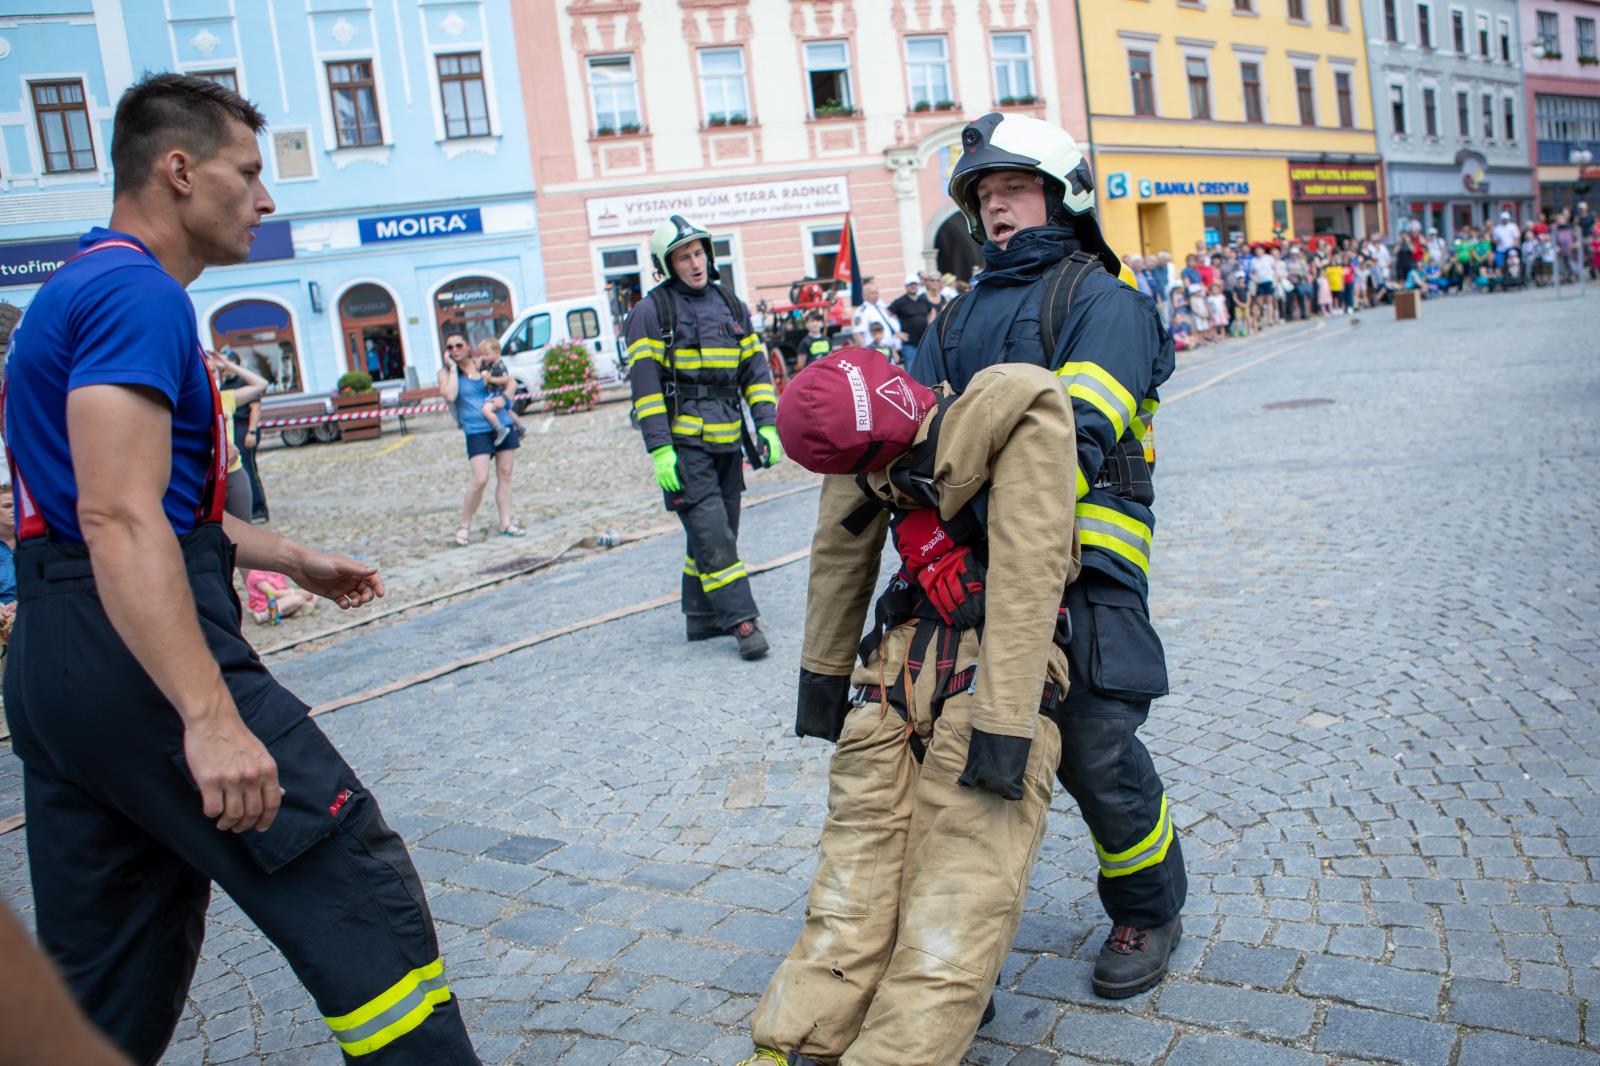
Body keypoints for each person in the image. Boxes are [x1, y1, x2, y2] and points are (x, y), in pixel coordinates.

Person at [1, 73, 479, 1065]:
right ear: (179, 171)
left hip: (58, 660)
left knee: (106, 979)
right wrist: (210, 716)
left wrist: (292, 557)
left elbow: (142, 508)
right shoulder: (138, 292)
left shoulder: (76, 290)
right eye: (249, 172)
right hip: (134, 643)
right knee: (350, 876)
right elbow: (119, 515)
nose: (267, 199)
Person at [903, 111, 1186, 1002]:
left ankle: (1150, 903)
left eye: (1013, 188)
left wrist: (953, 473)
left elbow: (1070, 442)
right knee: (951, 761)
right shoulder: (952, 317)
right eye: (984, 195)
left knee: (1095, 751)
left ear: (1061, 196)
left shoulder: (1106, 304)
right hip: (967, 575)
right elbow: (906, 447)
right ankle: (952, 954)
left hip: (1087, 569)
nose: (995, 209)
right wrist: (926, 540)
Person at [742, 351, 1078, 1066]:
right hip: (904, 670)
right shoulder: (874, 446)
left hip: (980, 678)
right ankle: (794, 1039)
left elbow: (1030, 570)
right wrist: (824, 679)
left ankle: (858, 1048)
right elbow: (839, 554)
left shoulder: (1014, 417)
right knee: (861, 880)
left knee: (952, 896)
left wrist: (1003, 727)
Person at [625, 215, 781, 660]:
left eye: (698, 253)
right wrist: (660, 451)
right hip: (683, 445)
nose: (694, 263)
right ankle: (742, 621)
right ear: (666, 264)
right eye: (682, 256)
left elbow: (755, 371)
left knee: (720, 530)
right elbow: (646, 387)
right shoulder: (650, 312)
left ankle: (700, 615)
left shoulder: (732, 306)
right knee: (715, 536)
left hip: (729, 440)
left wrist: (766, 423)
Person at [438, 333, 524, 545]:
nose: (455, 349)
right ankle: (464, 525)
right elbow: (450, 396)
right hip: (476, 429)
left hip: (501, 423)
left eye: (459, 345)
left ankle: (505, 522)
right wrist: (451, 368)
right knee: (480, 478)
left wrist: (504, 399)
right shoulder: (447, 373)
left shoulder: (484, 365)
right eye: (450, 347)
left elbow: (511, 383)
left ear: (468, 347)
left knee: (505, 474)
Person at [206, 350, 266, 521]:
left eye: (214, 372)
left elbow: (261, 384)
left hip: (233, 472)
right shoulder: (192, 402)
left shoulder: (225, 398)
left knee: (244, 530)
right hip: (206, 475)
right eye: (207, 372)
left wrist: (229, 365)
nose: (212, 376)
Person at [475, 337, 523, 444]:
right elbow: (477, 367)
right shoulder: (490, 364)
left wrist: (490, 379)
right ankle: (520, 427)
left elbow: (506, 379)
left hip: (497, 394)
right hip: (497, 393)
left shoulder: (499, 366)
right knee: (509, 411)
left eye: (486, 354)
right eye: (482, 354)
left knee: (486, 410)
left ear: (497, 352)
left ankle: (500, 429)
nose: (484, 357)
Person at [244, 568, 317, 625]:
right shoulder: (257, 573)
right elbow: (272, 593)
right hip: (266, 604)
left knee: (311, 594)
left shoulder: (277, 572)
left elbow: (283, 589)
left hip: (279, 602)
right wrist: (295, 592)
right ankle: (265, 615)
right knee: (299, 598)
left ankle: (300, 608)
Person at [851, 280, 901, 358]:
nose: (875, 295)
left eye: (876, 292)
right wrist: (867, 355)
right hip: (874, 352)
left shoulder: (881, 307)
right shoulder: (861, 312)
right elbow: (857, 335)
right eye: (872, 293)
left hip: (888, 350)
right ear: (864, 295)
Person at [887, 272, 934, 350]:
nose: (913, 286)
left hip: (925, 343)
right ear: (906, 286)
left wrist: (931, 325)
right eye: (910, 284)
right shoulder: (900, 301)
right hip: (909, 345)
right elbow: (886, 316)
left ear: (918, 285)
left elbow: (932, 310)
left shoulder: (923, 299)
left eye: (915, 284)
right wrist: (897, 333)